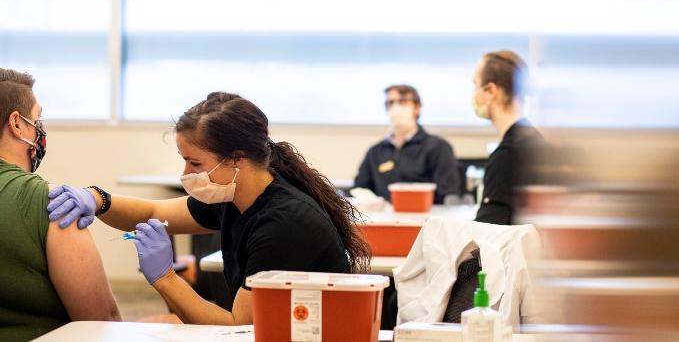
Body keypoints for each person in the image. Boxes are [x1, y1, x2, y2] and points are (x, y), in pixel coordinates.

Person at [47, 92, 371, 325]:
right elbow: (151, 212)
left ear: (236, 159)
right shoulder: (236, 196)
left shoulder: (284, 224)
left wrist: (165, 278)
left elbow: (236, 326)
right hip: (273, 329)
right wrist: (98, 198)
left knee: (156, 327)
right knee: (155, 325)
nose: (187, 174)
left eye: (195, 162)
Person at [0, 68, 120, 341]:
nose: (40, 129)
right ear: (17, 124)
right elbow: (102, 322)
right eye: (37, 119)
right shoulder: (54, 204)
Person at [353, 84, 459, 203]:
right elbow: (359, 190)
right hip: (385, 219)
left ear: (417, 107)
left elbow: (448, 194)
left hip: (425, 218)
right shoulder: (375, 152)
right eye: (390, 103)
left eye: (402, 102)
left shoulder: (438, 147)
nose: (396, 108)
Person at [471, 51, 544, 225]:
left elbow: (487, 234)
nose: (473, 95)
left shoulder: (507, 155)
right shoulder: (532, 139)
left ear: (490, 91)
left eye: (475, 85)